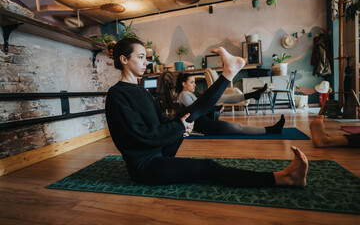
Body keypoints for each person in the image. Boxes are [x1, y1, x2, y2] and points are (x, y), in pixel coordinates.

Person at [105, 37, 308, 188]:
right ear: (123, 59)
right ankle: (284, 178)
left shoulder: (141, 91)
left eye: (145, 57)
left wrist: (178, 127)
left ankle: (229, 72)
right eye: (140, 57)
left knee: (188, 114)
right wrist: (176, 128)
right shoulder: (117, 95)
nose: (146, 62)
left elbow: (158, 121)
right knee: (207, 167)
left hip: (159, 150)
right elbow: (136, 136)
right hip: (145, 166)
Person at [175, 73, 285, 135]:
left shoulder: (191, 94)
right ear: (184, 84)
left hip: (205, 122)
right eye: (192, 82)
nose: (194, 85)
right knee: (238, 127)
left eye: (194, 82)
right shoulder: (183, 94)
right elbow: (196, 111)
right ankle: (271, 129)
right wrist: (214, 108)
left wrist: (214, 108)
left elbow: (201, 108)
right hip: (202, 126)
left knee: (221, 97)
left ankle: (252, 95)